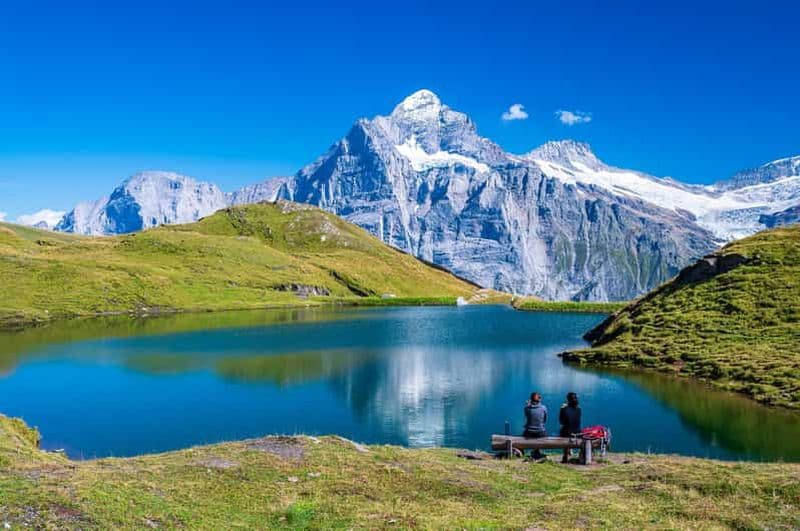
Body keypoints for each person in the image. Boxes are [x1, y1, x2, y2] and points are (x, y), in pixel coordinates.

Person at [523, 392, 548, 459]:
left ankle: (534, 451)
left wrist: (528, 405)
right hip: (541, 433)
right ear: (539, 399)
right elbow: (544, 420)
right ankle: (536, 451)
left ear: (531, 400)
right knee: (541, 430)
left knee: (524, 433)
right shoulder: (544, 408)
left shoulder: (527, 408)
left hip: (529, 432)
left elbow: (527, 416)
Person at [559, 392, 582, 463]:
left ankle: (565, 455)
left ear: (568, 399)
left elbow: (561, 421)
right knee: (570, 428)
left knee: (563, 430)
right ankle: (574, 452)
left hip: (568, 433)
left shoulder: (564, 409)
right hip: (578, 432)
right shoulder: (579, 409)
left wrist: (563, 408)